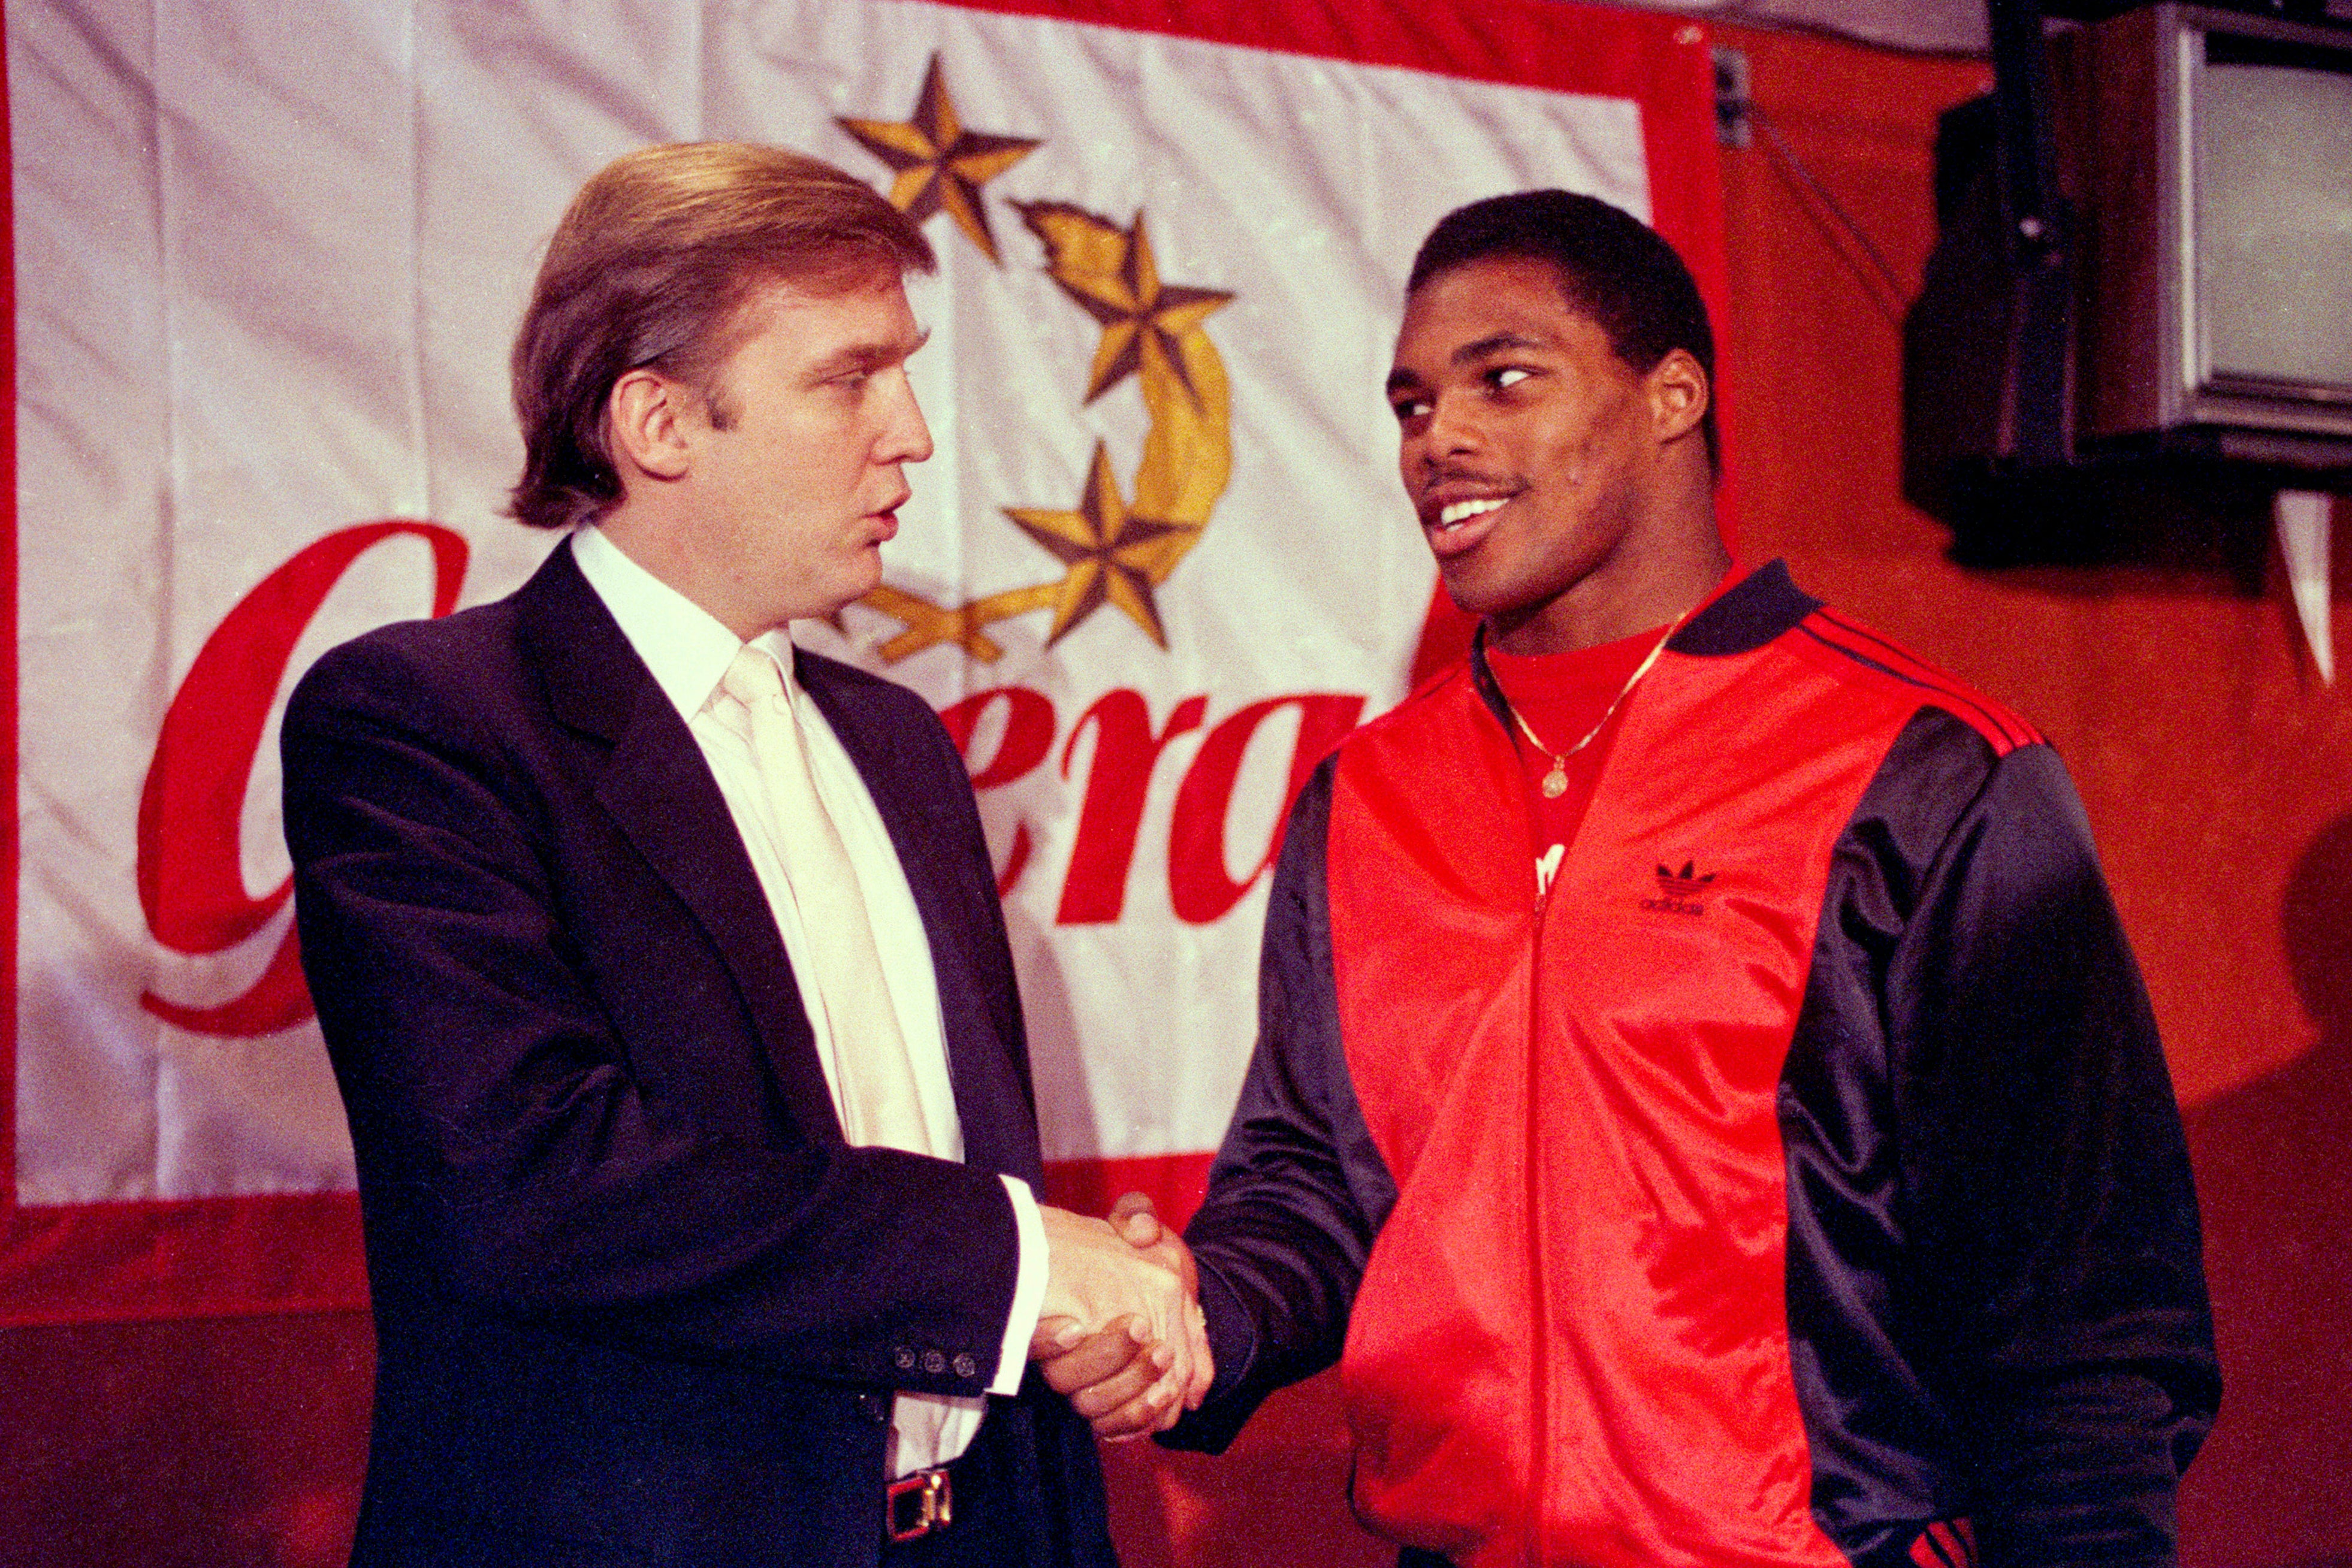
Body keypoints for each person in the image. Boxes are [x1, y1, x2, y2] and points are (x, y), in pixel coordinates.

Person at [1053, 190, 2220, 1566]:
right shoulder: (1361, 797)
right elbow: (1316, 1185)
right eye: (1412, 404)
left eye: (1504, 378)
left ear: (1671, 396)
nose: (1444, 441)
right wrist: (1199, 1309)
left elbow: (2084, 1309)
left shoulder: (1926, 768)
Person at [282, 142, 1206, 1568]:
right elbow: (535, 1188)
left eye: (902, 372)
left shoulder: (899, 741)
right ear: (658, 421)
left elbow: (933, 1170)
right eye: (849, 379)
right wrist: (1020, 1262)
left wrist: (1072, 1311)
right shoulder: (421, 722)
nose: (912, 433)